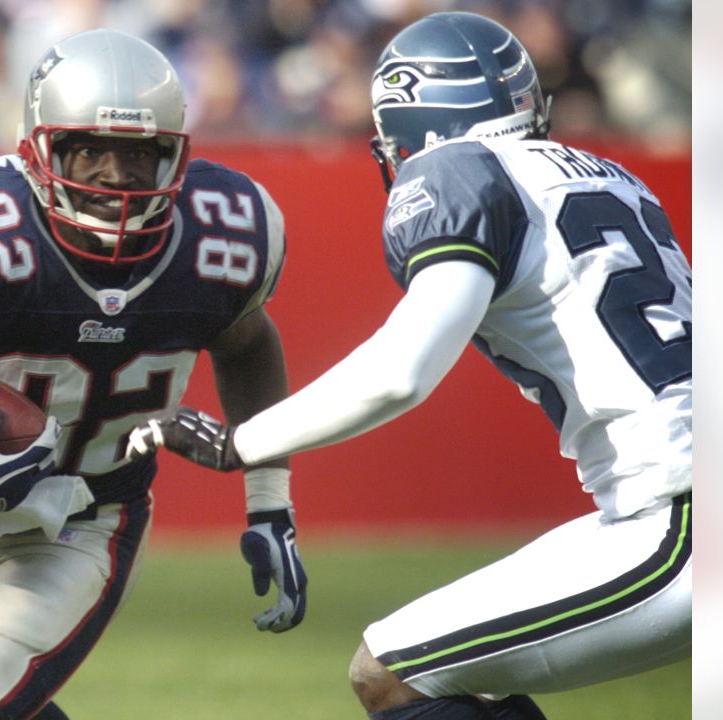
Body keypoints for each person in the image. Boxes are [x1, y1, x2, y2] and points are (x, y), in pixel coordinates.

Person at [128, 12, 691, 720]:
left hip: (677, 513)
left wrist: (237, 443)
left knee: (389, 671)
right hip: (697, 495)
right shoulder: (614, 176)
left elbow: (403, 371)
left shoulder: (454, 171)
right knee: (456, 672)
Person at [0, 28, 307, 719]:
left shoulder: (221, 238)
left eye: (139, 154)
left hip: (86, 521)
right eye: (87, 149)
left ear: (176, 155)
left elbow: (248, 345)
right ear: (38, 149)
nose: (115, 175)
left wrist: (270, 501)